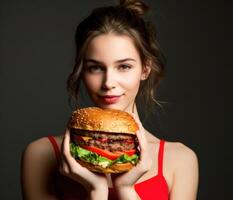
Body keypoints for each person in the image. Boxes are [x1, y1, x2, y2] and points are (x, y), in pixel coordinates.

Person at [21, 0, 199, 199]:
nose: (108, 83)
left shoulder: (180, 159)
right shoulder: (41, 154)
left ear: (145, 69)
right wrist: (96, 190)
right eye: (95, 67)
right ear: (81, 71)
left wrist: (126, 190)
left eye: (124, 66)